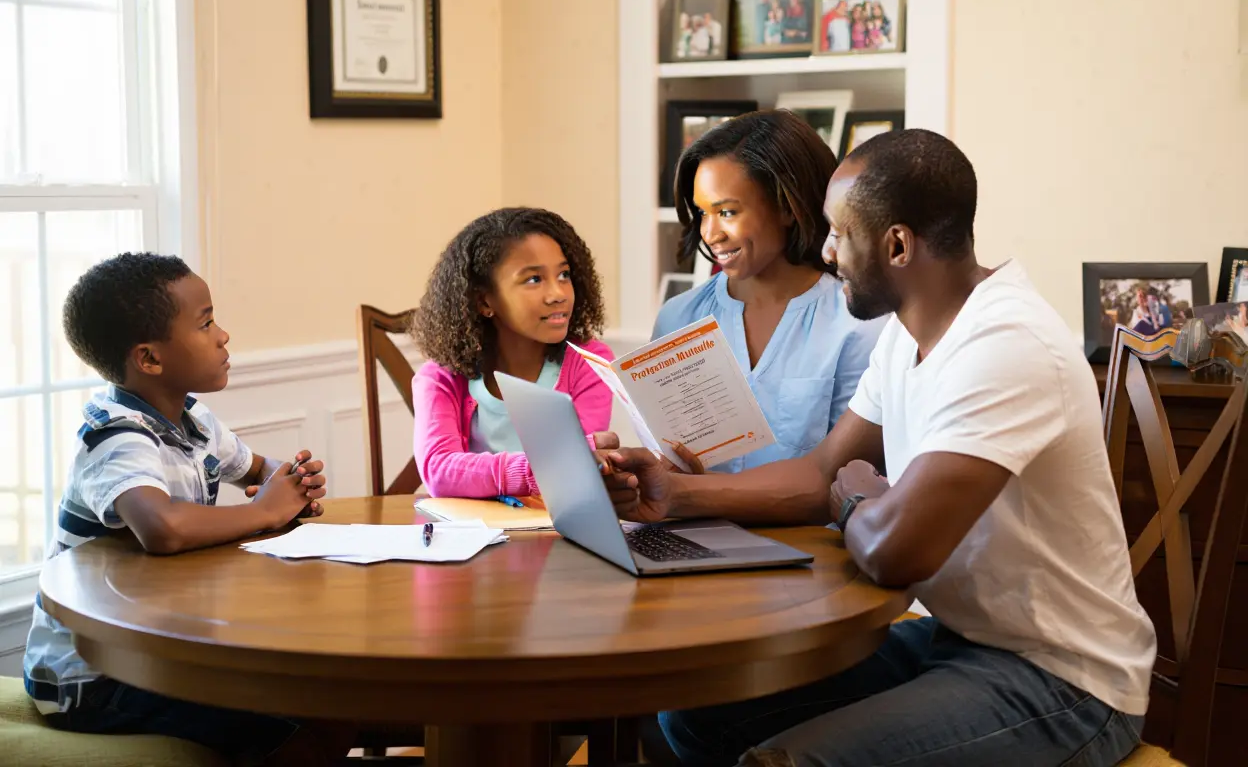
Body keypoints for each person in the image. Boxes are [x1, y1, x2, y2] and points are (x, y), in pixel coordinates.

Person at [602, 130, 1156, 767]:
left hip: (1062, 680)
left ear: (896, 245)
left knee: (785, 763)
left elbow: (895, 552)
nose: (828, 251)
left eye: (839, 233)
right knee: (695, 716)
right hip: (956, 642)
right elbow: (821, 475)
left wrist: (855, 500)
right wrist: (675, 493)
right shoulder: (905, 335)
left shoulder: (1005, 344)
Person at [22, 253, 353, 766]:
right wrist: (266, 511)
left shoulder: (194, 420)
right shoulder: (116, 435)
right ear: (149, 359)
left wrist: (290, 480)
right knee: (295, 729)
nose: (223, 336)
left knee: (324, 709)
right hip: (92, 673)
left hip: (158, 651)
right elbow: (162, 527)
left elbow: (258, 469)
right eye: (206, 323)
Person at [654, 110, 884, 473]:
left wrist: (688, 495)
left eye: (727, 212)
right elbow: (667, 465)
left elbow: (844, 480)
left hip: (810, 532)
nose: (710, 234)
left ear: (786, 207)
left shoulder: (860, 325)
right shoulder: (678, 319)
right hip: (688, 528)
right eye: (702, 213)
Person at [411, 207, 614, 498]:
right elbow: (440, 471)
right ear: (484, 301)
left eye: (564, 274)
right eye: (534, 279)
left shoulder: (590, 362)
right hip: (471, 537)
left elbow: (577, 474)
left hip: (558, 535)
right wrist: (537, 473)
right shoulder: (440, 378)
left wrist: (571, 465)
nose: (558, 293)